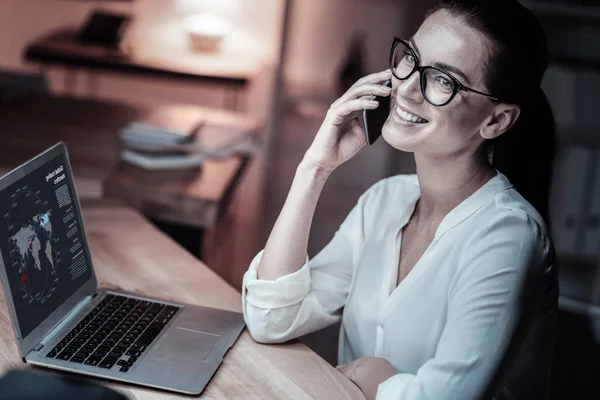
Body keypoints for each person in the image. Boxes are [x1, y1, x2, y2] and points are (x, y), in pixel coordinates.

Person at [242, 0, 558, 399]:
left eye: (444, 80)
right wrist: (314, 169)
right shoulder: (385, 201)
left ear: (495, 120)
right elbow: (271, 319)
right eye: (410, 58)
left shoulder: (507, 237)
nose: (406, 88)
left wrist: (368, 372)